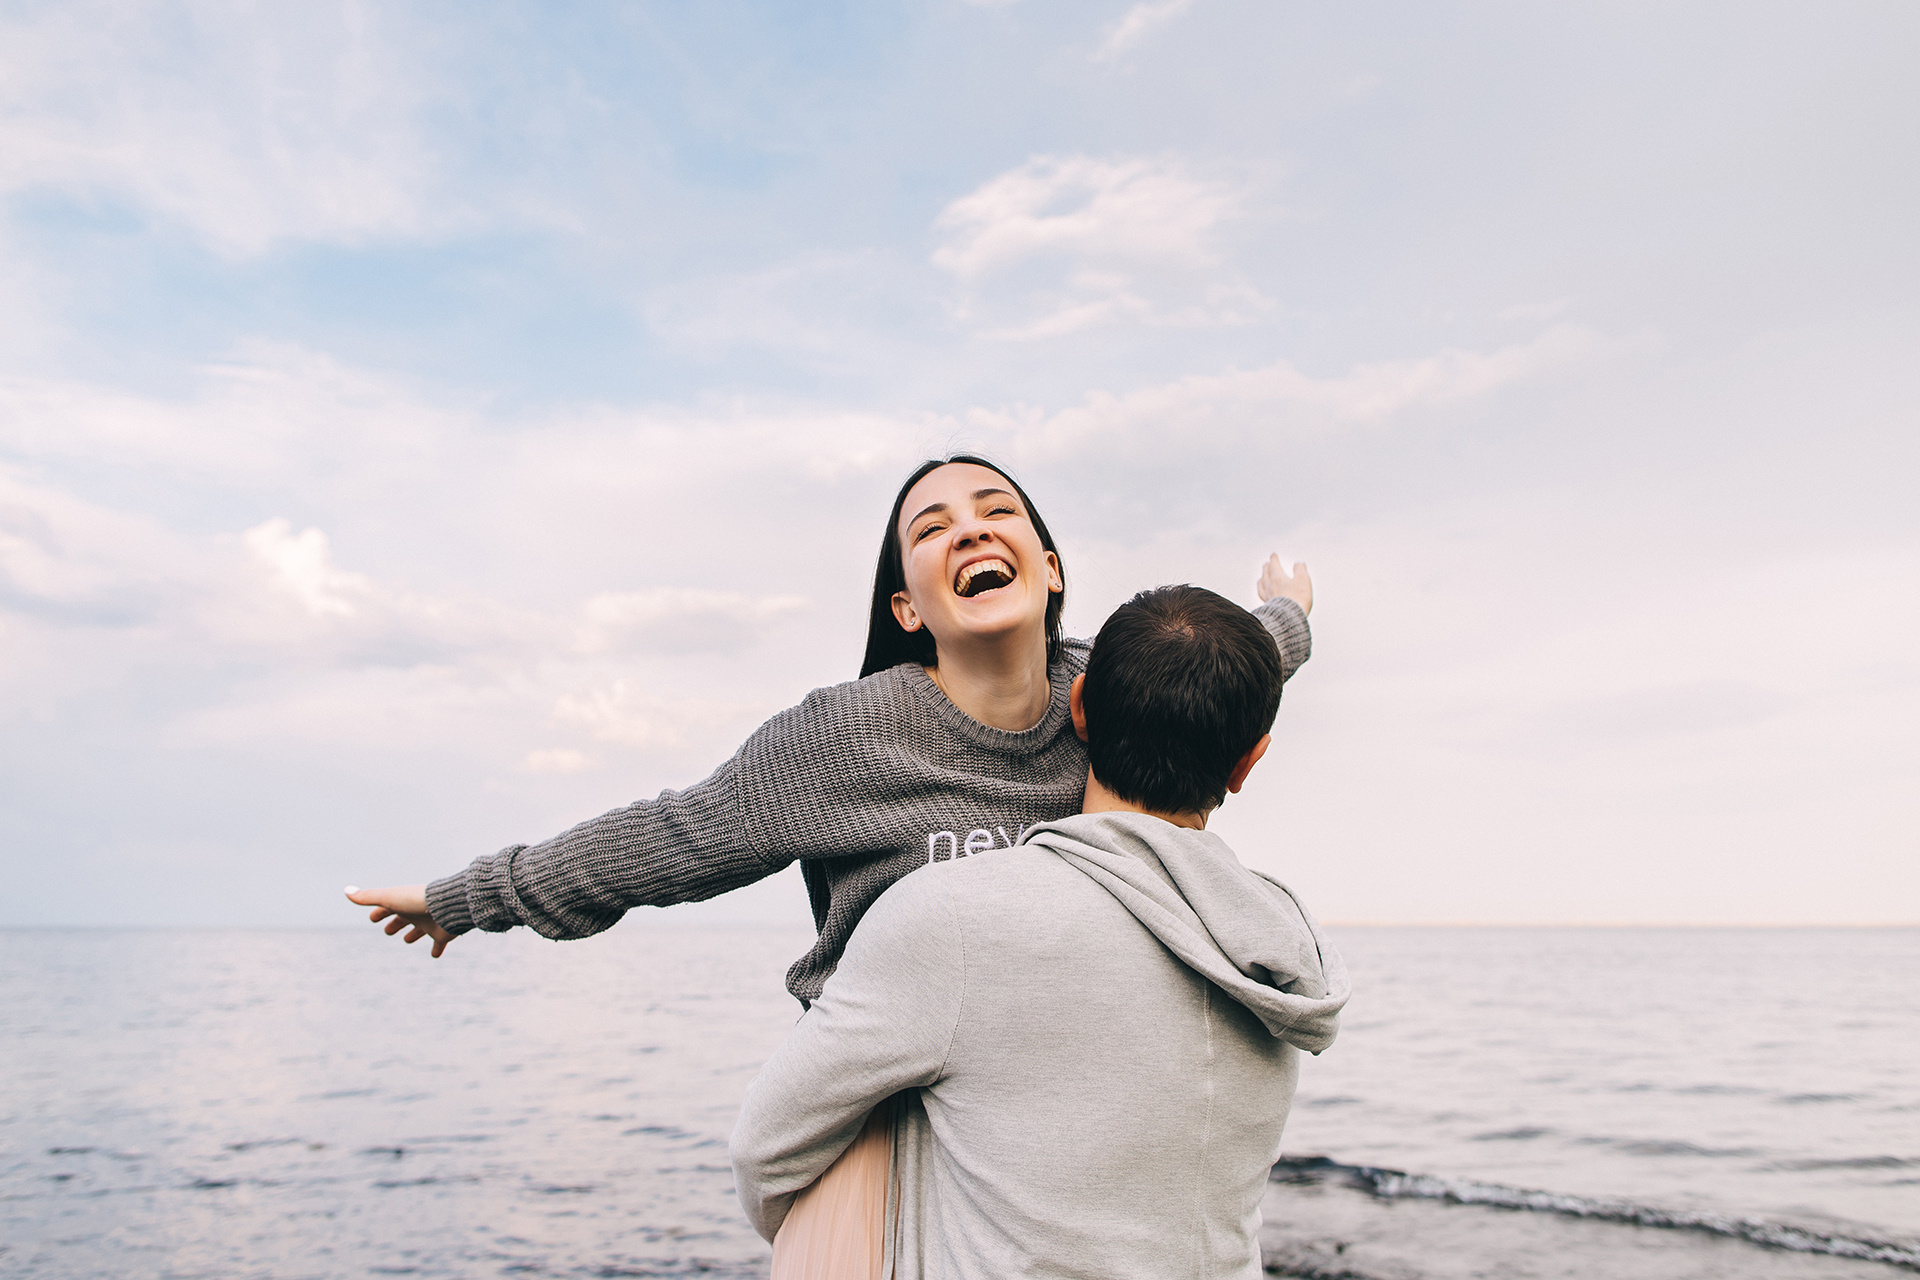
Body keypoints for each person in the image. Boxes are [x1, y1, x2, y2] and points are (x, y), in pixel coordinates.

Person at [729, 584, 1349, 1279]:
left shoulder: (950, 918)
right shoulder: (1276, 951)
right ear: (1248, 762)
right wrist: (1291, 612)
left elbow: (766, 1152)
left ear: (1077, 708)